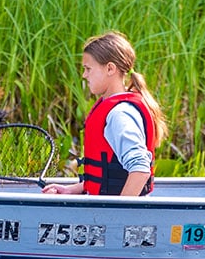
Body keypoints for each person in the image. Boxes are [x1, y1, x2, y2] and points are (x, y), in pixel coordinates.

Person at [43, 31, 166, 197]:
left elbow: (140, 170)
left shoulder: (120, 115)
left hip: (119, 219)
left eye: (88, 69)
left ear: (110, 68)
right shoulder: (114, 108)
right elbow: (108, 177)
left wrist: (115, 217)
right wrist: (71, 189)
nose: (84, 75)